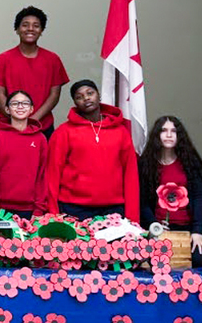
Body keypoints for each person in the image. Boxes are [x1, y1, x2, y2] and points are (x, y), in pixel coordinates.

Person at [46, 80, 139, 222]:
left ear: (99, 96)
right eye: (79, 97)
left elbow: (130, 174)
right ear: (75, 103)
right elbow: (52, 173)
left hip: (113, 209)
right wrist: (52, 214)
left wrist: (133, 217)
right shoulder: (63, 132)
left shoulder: (121, 131)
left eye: (90, 93)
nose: (86, 98)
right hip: (73, 208)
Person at [0, 6, 69, 138]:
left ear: (41, 30)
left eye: (36, 25)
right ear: (17, 29)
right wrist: (16, 119)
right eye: (25, 25)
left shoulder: (53, 59)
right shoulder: (3, 59)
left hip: (42, 126)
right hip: (9, 125)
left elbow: (54, 96)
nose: (30, 29)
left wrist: (33, 120)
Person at [138, 116, 202, 267]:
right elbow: (142, 201)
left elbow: (200, 197)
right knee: (151, 262)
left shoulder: (191, 162)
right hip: (158, 229)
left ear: (179, 136)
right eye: (164, 131)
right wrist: (153, 224)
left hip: (187, 228)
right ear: (157, 136)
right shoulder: (145, 164)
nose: (169, 135)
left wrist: (198, 232)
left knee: (200, 259)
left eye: (173, 131)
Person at [0, 91, 47, 219]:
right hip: (0, 210)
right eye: (15, 103)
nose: (20, 107)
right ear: (7, 109)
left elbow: (42, 175)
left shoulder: (40, 139)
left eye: (25, 103)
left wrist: (39, 210)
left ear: (32, 109)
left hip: (30, 210)